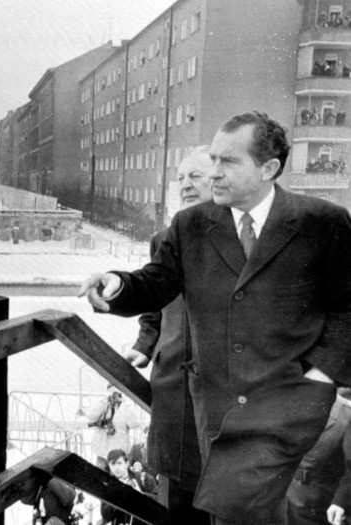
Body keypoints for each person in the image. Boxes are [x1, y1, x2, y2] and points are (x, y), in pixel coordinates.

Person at [79, 111, 351, 524]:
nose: (215, 173)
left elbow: (347, 306)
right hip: (215, 408)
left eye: (228, 162)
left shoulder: (322, 222)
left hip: (288, 406)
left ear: (269, 168)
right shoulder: (191, 225)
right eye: (215, 160)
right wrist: (118, 285)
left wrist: (322, 375)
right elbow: (156, 283)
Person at [124, 147, 213, 525]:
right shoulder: (164, 238)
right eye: (180, 178)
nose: (186, 185)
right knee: (178, 494)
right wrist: (146, 345)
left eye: (195, 175)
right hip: (174, 386)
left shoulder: (247, 239)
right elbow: (152, 299)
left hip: (222, 386)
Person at [286, 388, 351, 524]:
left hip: (316, 505)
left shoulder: (346, 415)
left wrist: (340, 503)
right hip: (281, 496)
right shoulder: (289, 402)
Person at [85, 386, 142, 470]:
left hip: (119, 453)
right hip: (102, 453)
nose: (115, 396)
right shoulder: (103, 403)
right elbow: (91, 416)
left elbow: (134, 424)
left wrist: (124, 403)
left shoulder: (125, 407)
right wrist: (105, 400)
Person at [100, 449, 142, 525]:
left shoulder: (141, 479)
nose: (116, 468)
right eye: (113, 464)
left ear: (127, 463)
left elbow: (158, 500)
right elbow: (105, 514)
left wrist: (140, 494)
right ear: (109, 466)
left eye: (119, 463)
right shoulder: (108, 485)